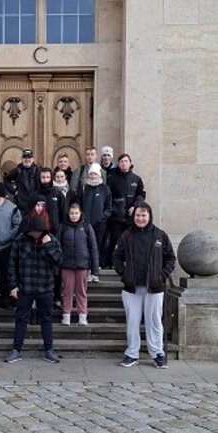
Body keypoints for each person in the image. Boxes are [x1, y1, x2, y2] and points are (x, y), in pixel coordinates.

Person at [113, 201, 176, 369]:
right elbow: (117, 257)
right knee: (132, 321)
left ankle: (157, 353)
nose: (140, 218)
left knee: (154, 321)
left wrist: (161, 275)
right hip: (132, 287)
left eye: (143, 215)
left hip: (154, 287)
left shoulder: (160, 236)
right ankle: (132, 353)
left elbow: (170, 258)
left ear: (149, 216)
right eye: (138, 215)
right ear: (134, 217)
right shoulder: (126, 235)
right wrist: (124, 274)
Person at [5, 214, 62, 364]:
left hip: (45, 287)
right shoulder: (20, 241)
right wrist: (12, 285)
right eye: (33, 232)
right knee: (21, 319)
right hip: (25, 287)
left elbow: (59, 261)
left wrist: (48, 245)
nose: (35, 234)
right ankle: (16, 350)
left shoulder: (52, 240)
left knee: (46, 320)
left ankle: (49, 350)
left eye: (38, 232)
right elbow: (11, 264)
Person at [58, 201, 99, 326]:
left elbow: (93, 248)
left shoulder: (87, 227)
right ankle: (66, 315)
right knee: (67, 291)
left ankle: (82, 316)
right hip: (67, 265)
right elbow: (57, 247)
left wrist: (95, 269)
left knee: (81, 291)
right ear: (68, 214)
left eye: (76, 213)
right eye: (72, 213)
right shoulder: (63, 227)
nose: (74, 216)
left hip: (83, 265)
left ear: (80, 213)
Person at [107, 153, 146, 264]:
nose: (124, 163)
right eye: (121, 161)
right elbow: (108, 196)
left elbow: (141, 194)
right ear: (118, 164)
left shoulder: (136, 179)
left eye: (126, 161)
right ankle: (114, 262)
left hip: (131, 217)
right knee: (116, 240)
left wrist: (135, 206)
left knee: (131, 239)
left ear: (130, 163)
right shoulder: (112, 178)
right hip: (116, 217)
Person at [78, 162, 112, 260]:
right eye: (91, 174)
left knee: (98, 245)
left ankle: (97, 265)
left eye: (95, 174)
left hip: (100, 224)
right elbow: (78, 204)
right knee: (85, 245)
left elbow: (108, 207)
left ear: (99, 175)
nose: (93, 176)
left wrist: (102, 217)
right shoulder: (84, 188)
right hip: (85, 223)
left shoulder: (105, 189)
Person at [5, 148, 41, 213]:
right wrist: (14, 191)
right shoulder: (17, 170)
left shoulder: (37, 170)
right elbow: (6, 180)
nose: (27, 160)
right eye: (25, 158)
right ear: (22, 159)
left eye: (29, 158)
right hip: (21, 204)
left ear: (33, 159)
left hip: (35, 205)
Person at [38, 167, 66, 234]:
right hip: (39, 230)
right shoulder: (35, 194)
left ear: (51, 178)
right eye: (43, 177)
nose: (45, 180)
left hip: (55, 230)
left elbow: (63, 212)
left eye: (48, 177)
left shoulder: (57, 193)